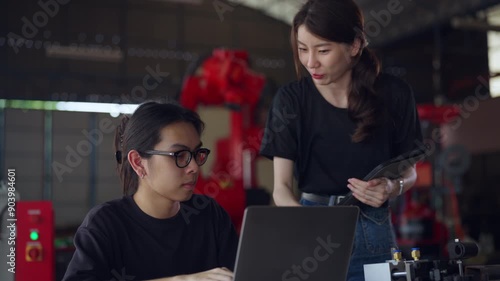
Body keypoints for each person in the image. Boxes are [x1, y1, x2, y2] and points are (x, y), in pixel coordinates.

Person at [259, 0, 423, 280]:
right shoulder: (291, 101)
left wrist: (392, 187)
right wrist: (306, 224)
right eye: (302, 49)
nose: (310, 62)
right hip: (311, 224)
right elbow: (281, 189)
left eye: (323, 50)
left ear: (355, 45)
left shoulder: (394, 94)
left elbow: (409, 172)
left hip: (374, 227)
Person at [63, 101, 238, 281]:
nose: (194, 167)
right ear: (138, 162)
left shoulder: (209, 214)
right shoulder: (105, 225)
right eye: (179, 155)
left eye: (195, 154)